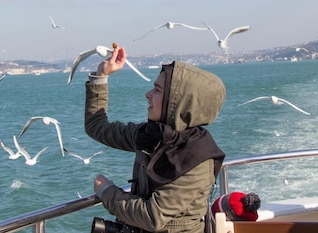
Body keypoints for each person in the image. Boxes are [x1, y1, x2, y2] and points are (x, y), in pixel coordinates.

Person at [85, 46, 226, 233]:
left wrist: (107, 191)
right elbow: (97, 127)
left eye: (158, 90)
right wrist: (101, 76)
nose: (148, 94)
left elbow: (153, 216)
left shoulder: (197, 158)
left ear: (177, 103)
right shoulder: (151, 135)